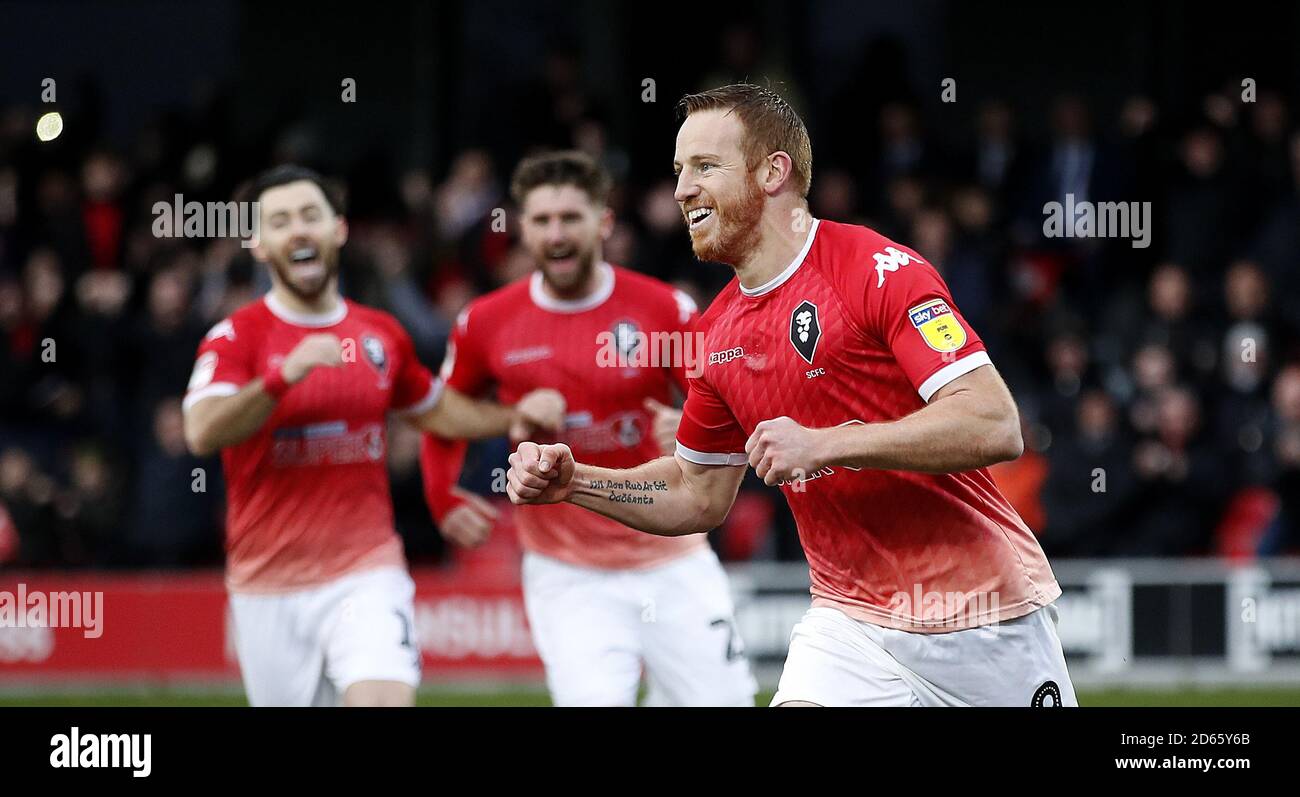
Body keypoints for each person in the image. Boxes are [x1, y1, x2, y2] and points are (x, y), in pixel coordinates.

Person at [506, 85, 1075, 707]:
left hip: (984, 613)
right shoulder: (717, 332)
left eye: (705, 167)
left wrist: (828, 444)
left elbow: (994, 424)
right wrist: (576, 483)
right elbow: (697, 494)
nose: (681, 190)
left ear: (773, 173)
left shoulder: (876, 269)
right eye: (678, 172)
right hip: (848, 624)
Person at [182, 165, 561, 707]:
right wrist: (280, 378)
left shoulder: (378, 333)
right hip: (268, 586)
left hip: (365, 571)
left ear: (338, 229)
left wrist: (511, 415)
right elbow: (201, 431)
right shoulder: (236, 338)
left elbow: (436, 411)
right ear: (259, 244)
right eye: (282, 221)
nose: (300, 230)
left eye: (311, 216)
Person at [421, 151, 756, 706]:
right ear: (521, 226)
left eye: (571, 218)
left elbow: (730, 402)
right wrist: (441, 496)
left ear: (602, 222)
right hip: (568, 574)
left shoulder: (662, 309)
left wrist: (698, 428)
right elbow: (443, 414)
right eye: (542, 219)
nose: (557, 234)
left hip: (671, 555)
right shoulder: (485, 322)